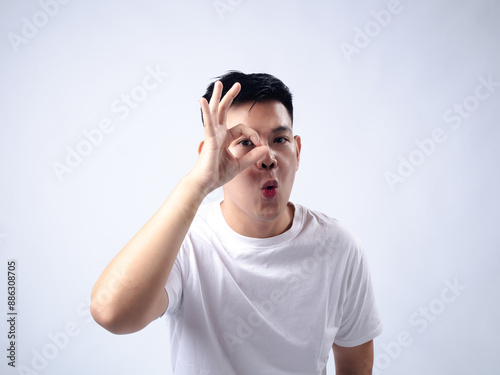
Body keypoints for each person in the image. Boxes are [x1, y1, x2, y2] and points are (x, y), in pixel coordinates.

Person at [90, 71, 383, 374]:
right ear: (211, 157)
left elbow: (355, 364)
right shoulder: (186, 243)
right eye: (245, 143)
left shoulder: (338, 247)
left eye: (279, 139)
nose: (267, 156)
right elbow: (111, 313)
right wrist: (198, 184)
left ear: (296, 151)